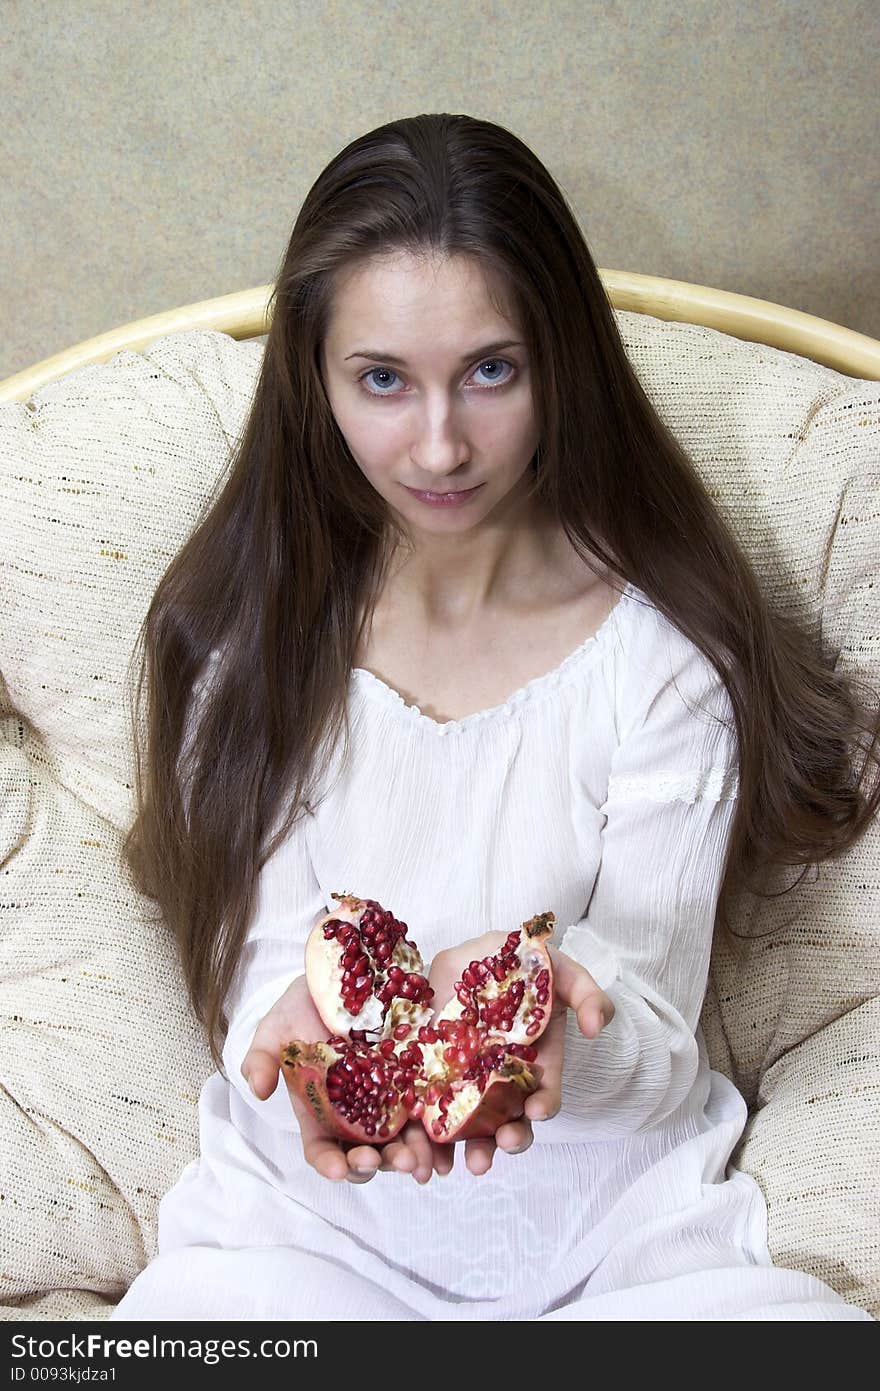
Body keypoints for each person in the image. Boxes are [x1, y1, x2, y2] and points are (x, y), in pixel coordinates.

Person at [111, 113, 878, 1321]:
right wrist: (297, 1034)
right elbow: (264, 960)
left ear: (561, 359)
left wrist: (555, 1028)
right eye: (380, 379)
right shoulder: (246, 638)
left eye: (490, 370)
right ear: (313, 382)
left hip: (620, 1241)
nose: (439, 444)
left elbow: (661, 1028)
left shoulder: (672, 655)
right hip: (297, 1240)